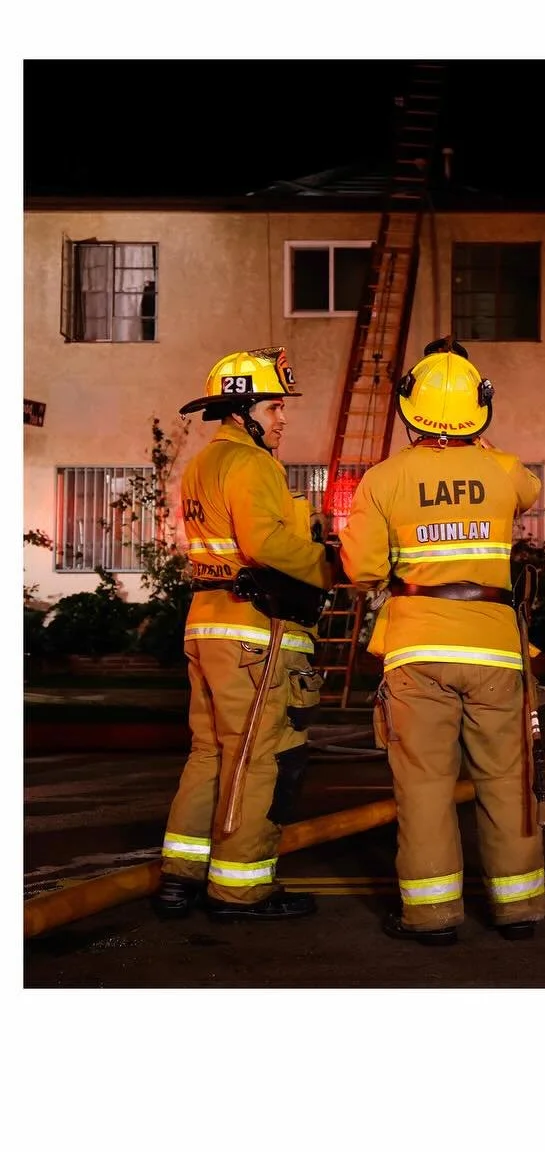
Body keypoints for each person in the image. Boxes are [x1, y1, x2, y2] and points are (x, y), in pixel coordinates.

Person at [339, 341, 545, 946]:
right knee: (508, 780)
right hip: (495, 651)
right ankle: (518, 909)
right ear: (479, 412)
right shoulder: (504, 470)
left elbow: (363, 570)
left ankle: (432, 916)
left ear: (410, 409)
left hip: (417, 650)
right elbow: (528, 490)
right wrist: (477, 447)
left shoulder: (383, 479)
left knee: (425, 786)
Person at [154, 347, 335, 921]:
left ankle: (179, 877)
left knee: (209, 753)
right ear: (242, 409)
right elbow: (268, 546)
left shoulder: (205, 462)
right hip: (255, 632)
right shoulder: (254, 464)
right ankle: (240, 890)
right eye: (275, 406)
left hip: (207, 623)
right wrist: (335, 564)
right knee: (260, 758)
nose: (282, 418)